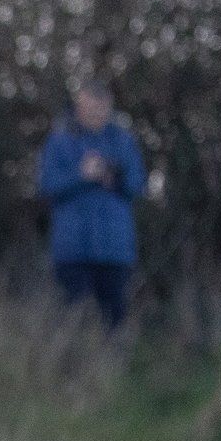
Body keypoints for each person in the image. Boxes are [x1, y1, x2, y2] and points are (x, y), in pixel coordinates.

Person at [38, 79, 145, 330]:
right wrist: (82, 175)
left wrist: (115, 178)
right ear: (79, 106)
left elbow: (138, 184)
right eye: (90, 107)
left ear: (109, 107)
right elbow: (47, 186)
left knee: (115, 322)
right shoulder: (59, 141)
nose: (96, 112)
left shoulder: (123, 141)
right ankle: (74, 367)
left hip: (115, 250)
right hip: (73, 249)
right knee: (73, 320)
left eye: (101, 107)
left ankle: (113, 367)